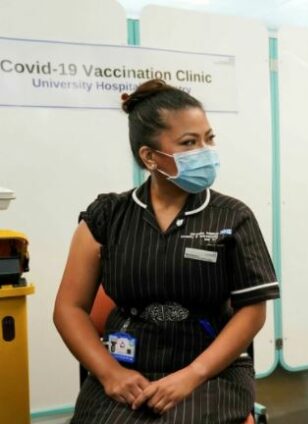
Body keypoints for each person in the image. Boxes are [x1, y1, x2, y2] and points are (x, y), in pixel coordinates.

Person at [53, 79, 279, 423]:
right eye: (189, 142)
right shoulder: (106, 217)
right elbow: (69, 308)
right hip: (126, 370)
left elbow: (253, 310)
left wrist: (193, 374)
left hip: (211, 373)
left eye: (209, 138)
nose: (205, 151)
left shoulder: (233, 217)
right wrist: (111, 374)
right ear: (150, 157)